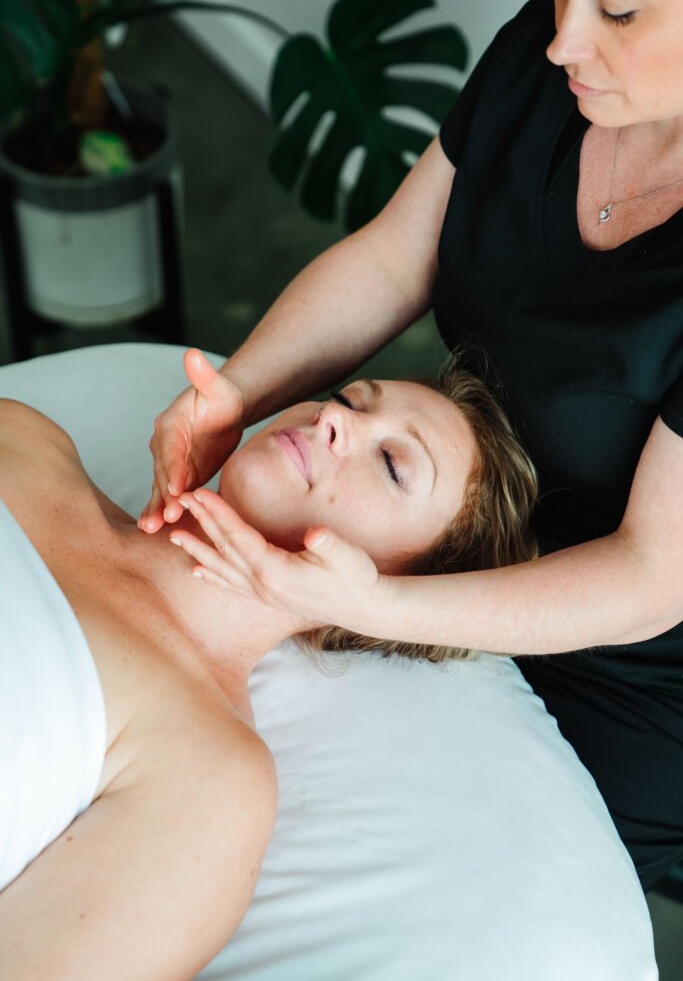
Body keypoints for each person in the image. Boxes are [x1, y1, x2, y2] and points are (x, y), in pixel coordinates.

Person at [141, 0, 683, 893]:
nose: (562, 35)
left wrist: (370, 606)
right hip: (444, 530)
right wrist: (238, 394)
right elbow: (396, 259)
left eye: (618, 8)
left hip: (630, 672)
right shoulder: (544, 60)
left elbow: (649, 574)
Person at [0, 357, 536, 979]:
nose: (334, 418)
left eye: (393, 466)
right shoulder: (28, 440)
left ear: (394, 590)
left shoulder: (210, 780)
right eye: (350, 399)